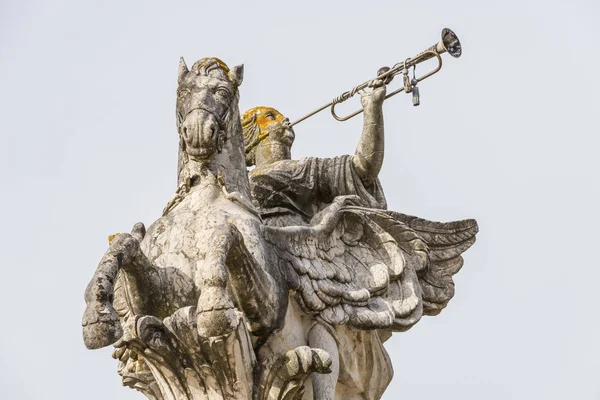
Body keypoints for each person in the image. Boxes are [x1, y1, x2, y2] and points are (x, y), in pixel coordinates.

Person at [242, 81, 395, 399]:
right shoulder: (234, 181)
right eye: (270, 116)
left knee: (321, 316)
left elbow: (363, 168)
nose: (283, 121)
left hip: (298, 252)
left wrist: (372, 110)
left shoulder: (305, 170)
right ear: (253, 134)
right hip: (250, 254)